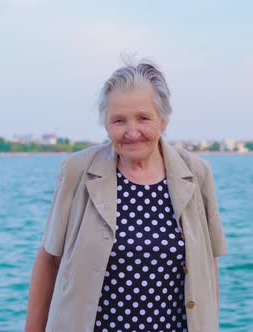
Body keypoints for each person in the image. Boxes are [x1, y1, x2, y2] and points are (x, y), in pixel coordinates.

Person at [25, 61, 227, 332]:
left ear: (163, 119)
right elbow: (49, 260)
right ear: (106, 125)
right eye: (119, 120)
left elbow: (207, 264)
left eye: (143, 118)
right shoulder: (76, 171)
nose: (132, 133)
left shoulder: (197, 173)